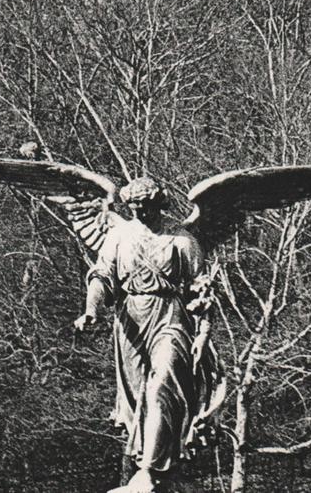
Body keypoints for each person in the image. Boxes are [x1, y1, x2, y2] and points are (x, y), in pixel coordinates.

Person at [74, 177, 220, 493]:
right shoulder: (119, 235)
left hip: (170, 316)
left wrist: (203, 324)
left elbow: (201, 286)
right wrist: (91, 309)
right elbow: (101, 276)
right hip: (129, 320)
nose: (138, 213)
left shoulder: (181, 239)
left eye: (144, 207)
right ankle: (151, 471)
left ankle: (150, 471)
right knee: (137, 398)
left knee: (163, 386)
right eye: (134, 207)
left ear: (156, 204)